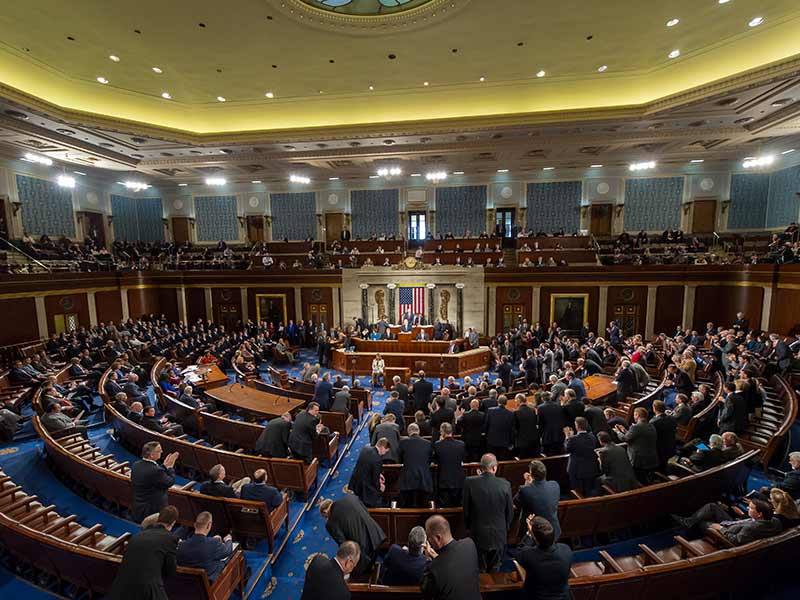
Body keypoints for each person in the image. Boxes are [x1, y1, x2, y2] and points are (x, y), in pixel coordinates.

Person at [107, 506, 179, 600]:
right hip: (147, 591)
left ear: (159, 518)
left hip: (120, 588)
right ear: (173, 522)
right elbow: (170, 571)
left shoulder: (137, 535)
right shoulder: (171, 538)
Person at [462, 453, 513, 572]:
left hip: (478, 533)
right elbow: (509, 512)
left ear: (480, 468)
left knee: (479, 568)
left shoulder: (469, 482)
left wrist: (469, 527)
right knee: (496, 568)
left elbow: (466, 509)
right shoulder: (505, 484)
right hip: (499, 534)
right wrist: (505, 529)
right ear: (494, 468)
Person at [319, 495, 386, 577]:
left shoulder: (330, 523)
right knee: (376, 556)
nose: (327, 518)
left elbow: (343, 544)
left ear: (325, 511)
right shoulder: (350, 498)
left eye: (325, 517)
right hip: (375, 533)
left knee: (362, 574)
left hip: (362, 549)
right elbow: (366, 512)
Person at [420, 515, 481, 600]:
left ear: (438, 537)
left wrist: (428, 560)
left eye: (429, 537)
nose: (429, 541)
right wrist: (438, 559)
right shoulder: (470, 544)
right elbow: (453, 563)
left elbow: (425, 592)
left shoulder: (433, 567)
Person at [671, 499, 781, 545]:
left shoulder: (751, 528)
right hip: (736, 523)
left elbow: (736, 541)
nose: (748, 508)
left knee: (703, 521)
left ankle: (688, 529)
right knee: (712, 506)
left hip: (728, 531)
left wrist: (720, 529)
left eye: (751, 508)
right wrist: (742, 515)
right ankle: (689, 522)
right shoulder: (775, 520)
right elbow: (750, 521)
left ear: (760, 514)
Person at [515, 516, 573, 600]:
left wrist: (529, 533)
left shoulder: (529, 555)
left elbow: (519, 551)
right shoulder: (566, 550)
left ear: (535, 538)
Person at [176, 511, 235, 581]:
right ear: (209, 525)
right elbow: (227, 551)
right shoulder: (212, 543)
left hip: (188, 582)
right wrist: (228, 540)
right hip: (209, 582)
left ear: (195, 525)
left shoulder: (182, 545)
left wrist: (213, 540)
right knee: (233, 554)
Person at [130, 441, 179, 523]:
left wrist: (164, 466)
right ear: (151, 455)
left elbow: (152, 476)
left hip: (138, 507)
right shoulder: (156, 471)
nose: (162, 452)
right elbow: (170, 481)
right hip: (152, 510)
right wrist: (170, 468)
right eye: (159, 450)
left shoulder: (136, 465)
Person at [514, 460, 561, 540]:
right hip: (553, 531)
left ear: (531, 474)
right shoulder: (555, 485)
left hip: (533, 534)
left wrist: (527, 484)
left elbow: (516, 502)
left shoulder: (525, 490)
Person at [614, 407, 658, 484]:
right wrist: (624, 430)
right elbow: (637, 436)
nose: (634, 416)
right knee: (646, 478)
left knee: (639, 479)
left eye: (634, 415)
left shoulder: (636, 427)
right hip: (650, 458)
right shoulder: (651, 425)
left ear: (637, 415)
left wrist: (618, 432)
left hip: (639, 460)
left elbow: (625, 438)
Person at [398, 423, 434, 507]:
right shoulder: (428, 443)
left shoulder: (402, 442)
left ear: (408, 432)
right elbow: (430, 460)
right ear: (419, 431)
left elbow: (399, 459)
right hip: (424, 481)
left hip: (407, 480)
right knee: (423, 507)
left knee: (407, 508)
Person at [563, 416, 599, 497]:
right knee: (589, 491)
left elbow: (567, 449)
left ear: (577, 426)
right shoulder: (592, 437)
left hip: (576, 470)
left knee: (577, 492)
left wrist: (567, 437)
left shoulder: (573, 439)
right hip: (590, 468)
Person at [348, 438, 390, 507]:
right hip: (365, 487)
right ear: (382, 448)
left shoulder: (366, 449)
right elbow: (375, 480)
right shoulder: (378, 459)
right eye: (386, 451)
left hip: (356, 482)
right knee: (378, 500)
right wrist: (380, 487)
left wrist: (379, 474)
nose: (385, 453)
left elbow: (367, 466)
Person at [433, 422, 466, 507]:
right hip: (458, 480)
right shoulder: (461, 444)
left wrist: (440, 441)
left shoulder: (437, 445)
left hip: (444, 480)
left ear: (442, 432)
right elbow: (463, 458)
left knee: (445, 508)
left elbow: (435, 460)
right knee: (457, 506)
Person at [484, 395, 515, 460]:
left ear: (498, 402)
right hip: (504, 442)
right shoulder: (511, 414)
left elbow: (486, 425)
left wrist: (486, 436)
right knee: (502, 460)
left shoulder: (490, 411)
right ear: (506, 403)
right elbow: (512, 430)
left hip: (491, 441)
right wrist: (511, 442)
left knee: (491, 460)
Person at [650, 400, 677, 470]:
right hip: (670, 445)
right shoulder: (672, 418)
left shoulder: (653, 422)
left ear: (654, 408)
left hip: (658, 449)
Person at [513, 393, 540, 458]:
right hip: (534, 441)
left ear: (519, 400)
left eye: (515, 400)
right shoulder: (533, 410)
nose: (515, 402)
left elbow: (515, 428)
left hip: (523, 443)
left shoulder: (516, 412)